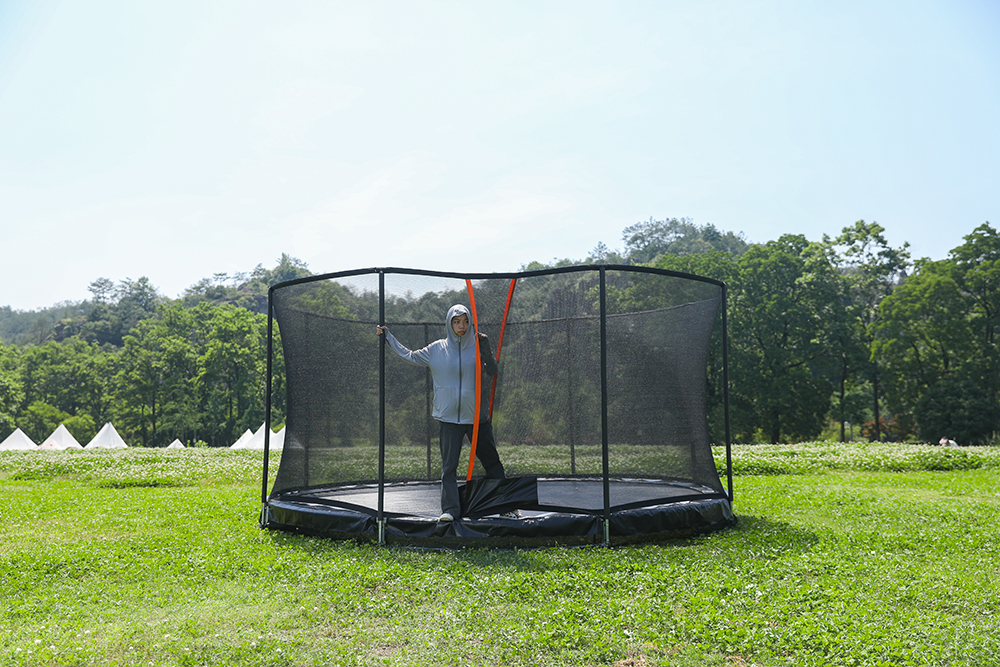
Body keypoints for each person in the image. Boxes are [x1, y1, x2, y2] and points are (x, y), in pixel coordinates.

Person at [377, 304, 507, 522]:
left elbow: (492, 370)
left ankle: (507, 506)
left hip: (477, 419)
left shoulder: (477, 344)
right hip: (449, 419)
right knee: (449, 468)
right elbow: (409, 355)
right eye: (457, 322)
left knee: (493, 463)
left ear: (470, 323)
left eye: (465, 321)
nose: (461, 326)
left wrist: (484, 346)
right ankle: (450, 510)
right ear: (449, 323)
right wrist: (388, 336)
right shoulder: (436, 349)